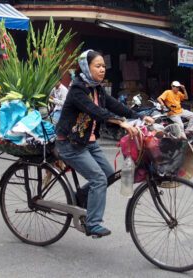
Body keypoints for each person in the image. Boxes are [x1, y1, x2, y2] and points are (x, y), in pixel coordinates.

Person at [55, 50, 154, 237]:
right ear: (86, 67)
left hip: (87, 142)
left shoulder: (97, 89)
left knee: (109, 175)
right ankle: (92, 224)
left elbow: (115, 105)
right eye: (97, 66)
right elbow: (94, 111)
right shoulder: (78, 89)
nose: (102, 70)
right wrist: (120, 122)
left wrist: (139, 116)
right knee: (98, 179)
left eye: (103, 66)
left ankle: (81, 197)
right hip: (69, 143)